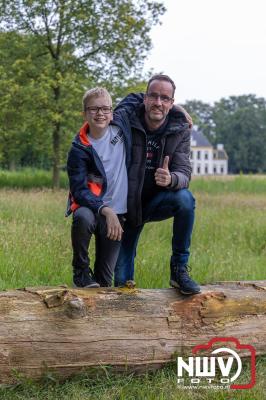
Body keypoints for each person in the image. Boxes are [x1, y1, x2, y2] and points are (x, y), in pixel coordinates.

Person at [114, 74, 201, 295]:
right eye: (153, 96)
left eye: (165, 98)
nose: (158, 103)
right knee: (121, 281)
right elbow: (122, 102)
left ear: (171, 103)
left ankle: (179, 269)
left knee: (185, 199)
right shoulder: (125, 119)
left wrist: (171, 179)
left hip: (156, 201)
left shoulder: (180, 130)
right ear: (144, 98)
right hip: (126, 208)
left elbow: (184, 172)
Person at [66, 87, 131, 288]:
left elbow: (143, 99)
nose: (100, 113)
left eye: (105, 108)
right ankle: (81, 271)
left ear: (112, 111)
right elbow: (79, 191)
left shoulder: (122, 127)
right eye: (93, 109)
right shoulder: (79, 148)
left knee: (104, 282)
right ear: (85, 113)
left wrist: (179, 109)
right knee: (82, 217)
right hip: (94, 209)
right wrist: (105, 209)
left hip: (118, 215)